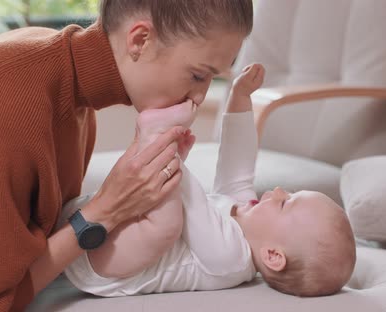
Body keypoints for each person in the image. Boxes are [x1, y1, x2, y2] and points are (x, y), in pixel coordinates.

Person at [0, 0, 253, 310]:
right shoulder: (10, 105)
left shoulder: (64, 82)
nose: (198, 98)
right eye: (196, 75)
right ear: (140, 40)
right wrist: (102, 213)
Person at [59, 64, 357, 297]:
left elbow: (193, 206)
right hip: (94, 222)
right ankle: (154, 139)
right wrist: (240, 98)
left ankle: (154, 137)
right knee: (162, 205)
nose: (278, 191)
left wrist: (171, 155)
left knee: (167, 223)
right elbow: (237, 163)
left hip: (102, 264)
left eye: (285, 205)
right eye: (290, 193)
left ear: (273, 256)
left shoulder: (232, 260)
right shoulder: (242, 212)